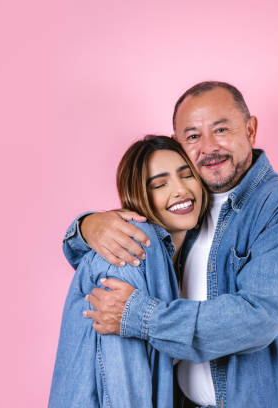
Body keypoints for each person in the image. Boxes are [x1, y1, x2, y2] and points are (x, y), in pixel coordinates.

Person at [64, 81, 278, 408]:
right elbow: (101, 260)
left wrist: (140, 316)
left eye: (220, 129)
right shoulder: (187, 209)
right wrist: (87, 226)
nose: (208, 147)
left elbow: (256, 319)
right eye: (193, 136)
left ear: (250, 129)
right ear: (179, 145)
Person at [49, 136, 209, 407]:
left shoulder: (189, 253)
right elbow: (121, 382)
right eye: (160, 184)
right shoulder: (129, 251)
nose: (180, 190)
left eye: (187, 176)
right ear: (139, 195)